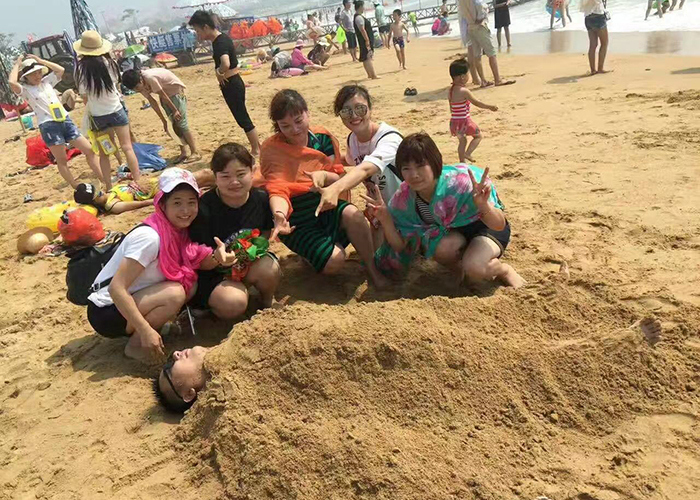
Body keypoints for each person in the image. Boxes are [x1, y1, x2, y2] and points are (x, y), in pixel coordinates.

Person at [85, 168, 236, 364]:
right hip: (106, 310)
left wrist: (217, 257)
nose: (185, 210)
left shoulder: (177, 231)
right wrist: (145, 330)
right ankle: (136, 346)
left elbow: (197, 258)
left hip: (128, 300)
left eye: (191, 202)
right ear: (162, 204)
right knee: (175, 293)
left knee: (188, 283)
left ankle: (151, 327)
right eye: (177, 203)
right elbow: (116, 288)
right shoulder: (150, 238)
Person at [254, 89, 388, 288]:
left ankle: (372, 269)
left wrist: (324, 176)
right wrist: (280, 215)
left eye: (299, 121)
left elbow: (339, 178)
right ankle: (314, 254)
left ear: (307, 114)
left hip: (326, 205)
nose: (295, 130)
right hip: (296, 218)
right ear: (277, 125)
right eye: (285, 126)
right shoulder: (272, 149)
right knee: (335, 261)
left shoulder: (322, 139)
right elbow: (277, 189)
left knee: (355, 216)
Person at [363, 132, 525, 288]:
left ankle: (503, 270)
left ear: (435, 164)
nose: (414, 175)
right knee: (441, 249)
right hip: (453, 233)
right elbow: (400, 247)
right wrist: (385, 219)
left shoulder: (462, 183)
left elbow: (499, 225)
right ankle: (460, 269)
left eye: (420, 166)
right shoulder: (404, 198)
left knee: (475, 268)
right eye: (406, 168)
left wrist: (483, 205)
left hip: (484, 225)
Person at [188, 143, 282, 319]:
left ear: (252, 171)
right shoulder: (203, 209)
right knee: (234, 303)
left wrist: (249, 251)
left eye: (241, 174)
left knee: (269, 268)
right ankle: (211, 307)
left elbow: (264, 232)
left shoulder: (261, 199)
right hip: (213, 272)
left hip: (244, 263)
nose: (234, 182)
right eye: (225, 176)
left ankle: (267, 299)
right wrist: (217, 258)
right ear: (215, 178)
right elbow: (195, 258)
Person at [318, 85, 403, 248]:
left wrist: (335, 188)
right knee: (377, 256)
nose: (354, 115)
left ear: (370, 108)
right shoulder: (353, 139)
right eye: (346, 111)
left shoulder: (389, 139)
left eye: (360, 108)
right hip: (380, 207)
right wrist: (321, 160)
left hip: (406, 208)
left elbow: (365, 168)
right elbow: (351, 161)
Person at [9, 55, 102, 189]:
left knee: (89, 150)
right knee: (62, 159)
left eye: (39, 72)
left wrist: (40, 61)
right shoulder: (26, 90)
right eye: (33, 74)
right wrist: (17, 64)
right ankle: (75, 185)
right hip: (49, 125)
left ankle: (102, 177)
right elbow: (12, 82)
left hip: (65, 120)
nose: (37, 76)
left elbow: (60, 70)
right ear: (26, 76)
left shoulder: (46, 82)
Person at [74, 30, 142, 191]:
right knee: (127, 147)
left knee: (105, 153)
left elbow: (84, 96)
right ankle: (138, 181)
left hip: (98, 116)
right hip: (116, 110)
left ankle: (109, 186)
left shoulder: (80, 70)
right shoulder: (110, 63)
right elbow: (115, 85)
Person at [188, 10, 260, 156]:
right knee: (241, 117)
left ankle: (256, 149)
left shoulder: (220, 42)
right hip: (232, 83)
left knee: (243, 118)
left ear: (206, 27)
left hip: (232, 84)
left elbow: (225, 63)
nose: (198, 34)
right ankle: (256, 147)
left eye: (197, 30)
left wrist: (219, 72)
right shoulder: (221, 40)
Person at [122, 68, 201, 164]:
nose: (137, 90)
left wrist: (175, 110)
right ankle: (184, 152)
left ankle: (195, 152)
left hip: (175, 93)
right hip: (166, 97)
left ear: (141, 80)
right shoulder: (139, 84)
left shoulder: (150, 78)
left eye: (137, 87)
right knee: (174, 126)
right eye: (134, 89)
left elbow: (163, 95)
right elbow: (153, 102)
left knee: (181, 124)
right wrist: (164, 121)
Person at [449, 58, 498, 163]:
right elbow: (476, 102)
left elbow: (451, 107)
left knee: (462, 142)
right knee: (478, 136)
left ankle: (462, 162)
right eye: (468, 74)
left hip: (455, 122)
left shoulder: (451, 91)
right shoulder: (464, 91)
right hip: (465, 121)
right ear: (463, 77)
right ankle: (468, 153)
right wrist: (489, 107)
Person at [460, 0, 515, 87]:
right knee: (491, 54)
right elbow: (480, 12)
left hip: (470, 27)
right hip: (480, 26)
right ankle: (497, 79)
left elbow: (464, 15)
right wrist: (485, 11)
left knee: (477, 56)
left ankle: (483, 81)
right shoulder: (476, 2)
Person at [74, 180, 156, 215]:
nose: (101, 191)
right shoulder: (113, 205)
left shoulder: (109, 193)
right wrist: (155, 200)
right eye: (98, 194)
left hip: (147, 184)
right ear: (94, 202)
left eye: (99, 189)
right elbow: (141, 204)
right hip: (152, 190)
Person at [581, 0, 610, 75]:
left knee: (593, 45)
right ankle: (600, 68)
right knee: (604, 43)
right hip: (598, 16)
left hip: (588, 18)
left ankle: (593, 70)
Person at [354, 1, 379, 79]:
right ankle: (373, 75)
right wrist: (367, 40)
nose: (364, 8)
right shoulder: (359, 17)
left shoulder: (357, 17)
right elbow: (362, 30)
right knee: (368, 57)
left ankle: (369, 74)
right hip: (364, 40)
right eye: (363, 6)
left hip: (363, 40)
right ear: (360, 7)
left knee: (365, 57)